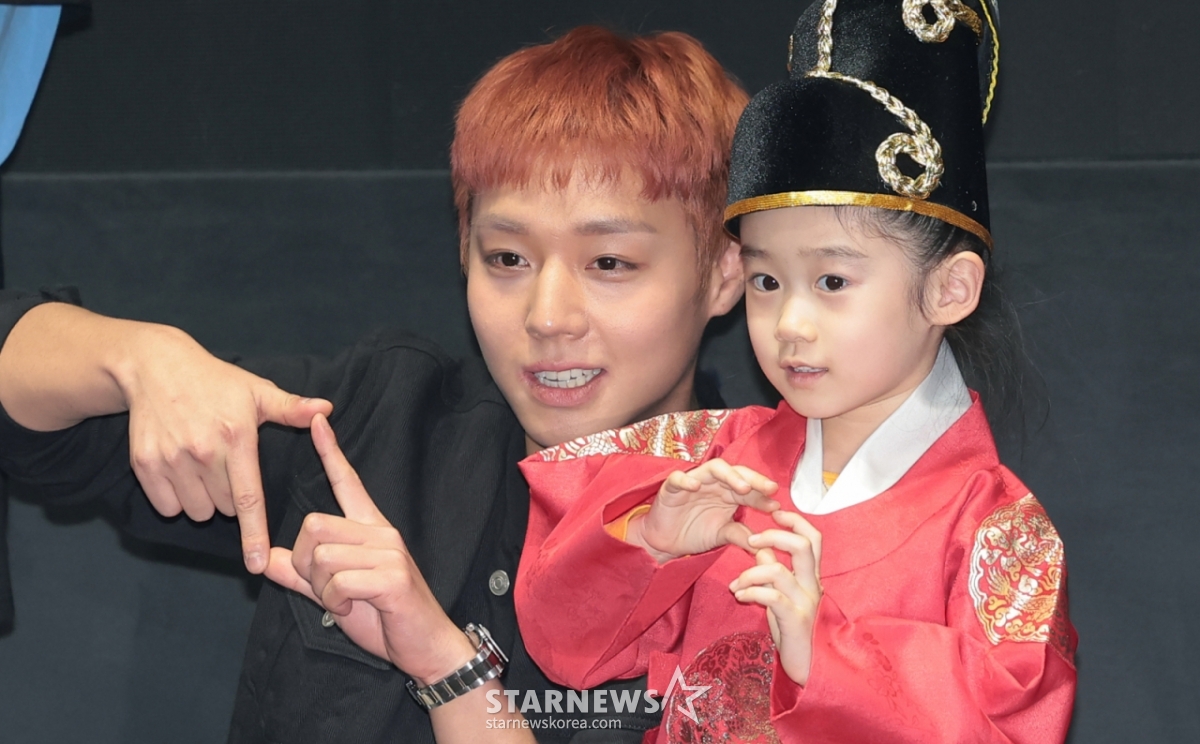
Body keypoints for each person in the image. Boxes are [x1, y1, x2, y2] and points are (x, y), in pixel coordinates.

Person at [0, 27, 748, 743]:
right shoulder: (375, 421)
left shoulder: (770, 531)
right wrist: (139, 358)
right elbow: (41, 421)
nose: (548, 317)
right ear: (463, 251)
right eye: (507, 259)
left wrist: (448, 665)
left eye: (609, 264)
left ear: (724, 274)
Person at [515, 2, 1077, 742]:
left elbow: (1013, 723)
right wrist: (650, 542)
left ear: (951, 289)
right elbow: (568, 652)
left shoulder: (997, 533)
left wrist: (826, 653)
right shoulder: (709, 464)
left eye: (833, 282)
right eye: (766, 281)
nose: (789, 325)